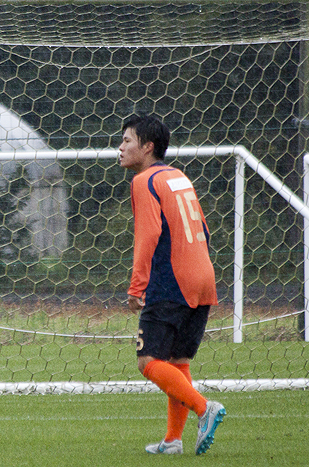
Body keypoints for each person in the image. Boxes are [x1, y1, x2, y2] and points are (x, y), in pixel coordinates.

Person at [118, 114, 226, 455]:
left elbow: (147, 235)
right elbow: (205, 230)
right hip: (202, 276)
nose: (120, 148)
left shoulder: (144, 180)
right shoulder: (178, 176)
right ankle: (172, 441)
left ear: (148, 147)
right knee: (177, 361)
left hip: (173, 280)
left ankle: (203, 408)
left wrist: (138, 285)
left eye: (127, 141)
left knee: (147, 359)